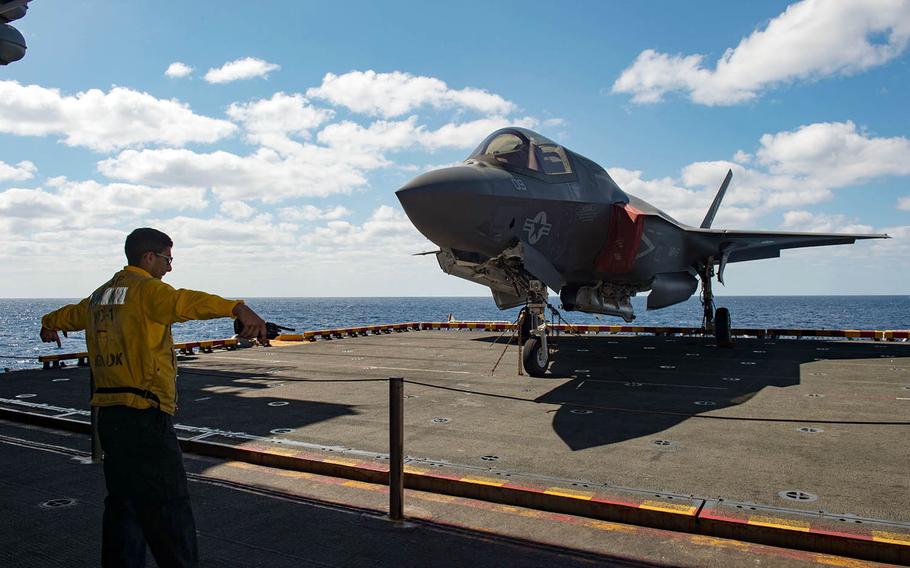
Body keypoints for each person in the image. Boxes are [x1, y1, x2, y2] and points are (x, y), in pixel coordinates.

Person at [40, 227, 268, 567]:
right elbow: (186, 302)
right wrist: (237, 308)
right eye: (167, 259)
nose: (170, 268)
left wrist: (48, 323)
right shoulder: (147, 291)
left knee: (123, 506)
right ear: (149, 257)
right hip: (145, 416)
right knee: (169, 507)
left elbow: (69, 315)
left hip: (110, 418)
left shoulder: (100, 296)